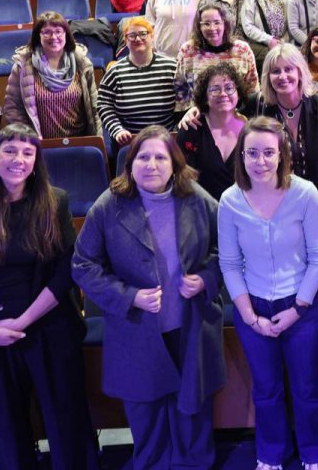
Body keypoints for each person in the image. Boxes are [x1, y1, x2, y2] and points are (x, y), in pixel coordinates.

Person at [0, 124, 99, 470]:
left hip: (46, 325)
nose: (19, 159)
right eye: (10, 150)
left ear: (37, 159)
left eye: (28, 153)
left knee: (65, 420)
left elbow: (64, 274)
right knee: (8, 429)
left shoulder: (54, 201)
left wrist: (25, 321)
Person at [72, 126, 224, 470]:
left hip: (190, 323)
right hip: (137, 327)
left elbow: (228, 250)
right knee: (146, 410)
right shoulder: (109, 205)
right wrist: (129, 297)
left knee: (193, 409)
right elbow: (82, 265)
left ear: (175, 163)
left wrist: (206, 279)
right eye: (142, 156)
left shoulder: (196, 198)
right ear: (129, 162)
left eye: (160, 157)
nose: (151, 164)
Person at [219, 117, 318, 470]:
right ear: (242, 156)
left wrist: (298, 308)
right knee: (266, 389)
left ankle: (314, 453)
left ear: (282, 155)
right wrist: (251, 316)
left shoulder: (305, 193)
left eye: (269, 152)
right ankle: (270, 454)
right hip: (252, 306)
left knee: (306, 387)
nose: (261, 161)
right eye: (252, 153)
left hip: (302, 306)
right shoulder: (230, 200)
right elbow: (229, 263)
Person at [243, 43, 318, 196]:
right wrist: (194, 111)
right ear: (268, 77)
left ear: (300, 72)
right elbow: (226, 114)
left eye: (288, 69)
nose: (283, 77)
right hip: (272, 200)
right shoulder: (256, 105)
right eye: (276, 71)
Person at [4, 12, 101, 139]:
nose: (53, 36)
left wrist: (98, 138)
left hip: (79, 143)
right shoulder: (22, 67)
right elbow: (13, 108)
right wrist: (29, 136)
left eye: (58, 31)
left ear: (66, 34)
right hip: (41, 145)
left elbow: (95, 106)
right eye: (47, 32)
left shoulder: (82, 63)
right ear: (38, 36)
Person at [98, 18, 179, 148]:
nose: (138, 39)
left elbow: (185, 100)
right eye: (132, 35)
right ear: (125, 41)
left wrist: (177, 130)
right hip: (129, 142)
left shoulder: (171, 67)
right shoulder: (115, 71)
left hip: (166, 141)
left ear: (152, 36)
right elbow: (103, 105)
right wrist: (117, 130)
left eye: (143, 34)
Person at [176, 61, 249, 201]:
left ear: (238, 93)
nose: (223, 94)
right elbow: (183, 184)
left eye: (229, 88)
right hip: (202, 213)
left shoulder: (251, 131)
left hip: (244, 213)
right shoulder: (191, 131)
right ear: (205, 97)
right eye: (215, 89)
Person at [174, 3, 259, 113]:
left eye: (217, 22)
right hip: (198, 115)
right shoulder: (187, 50)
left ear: (225, 24)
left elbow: (252, 89)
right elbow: (180, 89)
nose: (212, 28)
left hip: (237, 114)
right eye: (206, 24)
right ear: (199, 27)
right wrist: (187, 114)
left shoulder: (242, 50)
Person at [241, 0, 291, 67]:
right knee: (271, 57)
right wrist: (269, 40)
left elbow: (292, 23)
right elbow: (248, 27)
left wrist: (283, 41)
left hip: (285, 42)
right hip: (261, 45)